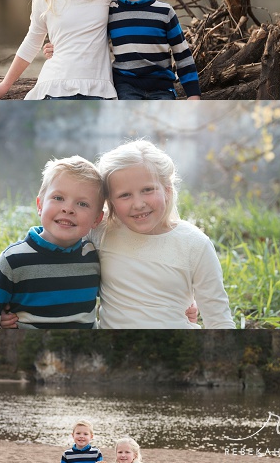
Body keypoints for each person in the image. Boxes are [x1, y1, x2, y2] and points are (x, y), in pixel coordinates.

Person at [92, 139, 234, 328]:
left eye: (147, 190)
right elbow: (58, 241)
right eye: (125, 195)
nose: (139, 203)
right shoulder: (101, 231)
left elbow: (219, 319)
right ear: (110, 201)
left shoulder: (194, 244)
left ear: (167, 190)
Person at [0, 156, 104, 328]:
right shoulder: (13, 261)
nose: (68, 208)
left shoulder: (93, 257)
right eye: (58, 198)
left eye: (82, 203)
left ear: (97, 219)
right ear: (40, 205)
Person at [106, 0, 201, 99]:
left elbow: (182, 54)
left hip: (161, 87)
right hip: (126, 86)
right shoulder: (110, 12)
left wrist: (193, 94)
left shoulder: (164, 12)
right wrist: (56, 46)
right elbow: (89, 40)